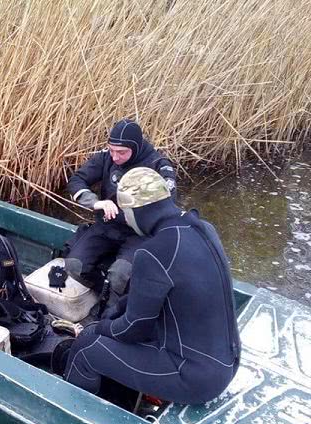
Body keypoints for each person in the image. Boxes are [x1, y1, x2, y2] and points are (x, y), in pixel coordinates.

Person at [59, 167, 241, 405]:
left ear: (135, 211)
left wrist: (99, 327)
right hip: (226, 361)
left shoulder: (152, 252)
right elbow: (152, 298)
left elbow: (133, 329)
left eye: (125, 212)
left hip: (193, 378)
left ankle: (75, 416)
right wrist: (116, 312)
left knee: (87, 347)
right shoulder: (203, 228)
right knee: (109, 329)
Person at [65, 119, 177, 294]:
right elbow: (77, 180)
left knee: (120, 275)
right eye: (112, 150)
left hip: (139, 233)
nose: (115, 157)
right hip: (106, 225)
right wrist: (96, 202)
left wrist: (136, 214)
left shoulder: (158, 165)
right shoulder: (107, 156)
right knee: (74, 266)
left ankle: (116, 306)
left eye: (122, 152)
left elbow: (167, 207)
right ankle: (103, 291)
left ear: (136, 148)